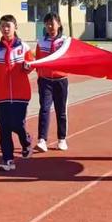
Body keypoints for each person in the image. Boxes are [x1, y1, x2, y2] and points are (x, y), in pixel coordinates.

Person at [0, 14, 34, 171]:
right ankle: (7, 159)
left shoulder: (24, 48)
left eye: (8, 25)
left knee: (17, 124)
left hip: (20, 95)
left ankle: (26, 142)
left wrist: (28, 66)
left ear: (15, 27)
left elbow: (31, 64)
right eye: (3, 26)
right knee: (4, 129)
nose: (5, 29)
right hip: (1, 96)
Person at [34, 12, 69, 152]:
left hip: (61, 80)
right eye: (47, 24)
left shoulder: (66, 42)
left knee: (61, 111)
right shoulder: (41, 42)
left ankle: (62, 139)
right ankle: (42, 140)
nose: (50, 26)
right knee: (44, 109)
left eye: (52, 23)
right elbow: (37, 60)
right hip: (45, 81)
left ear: (59, 24)